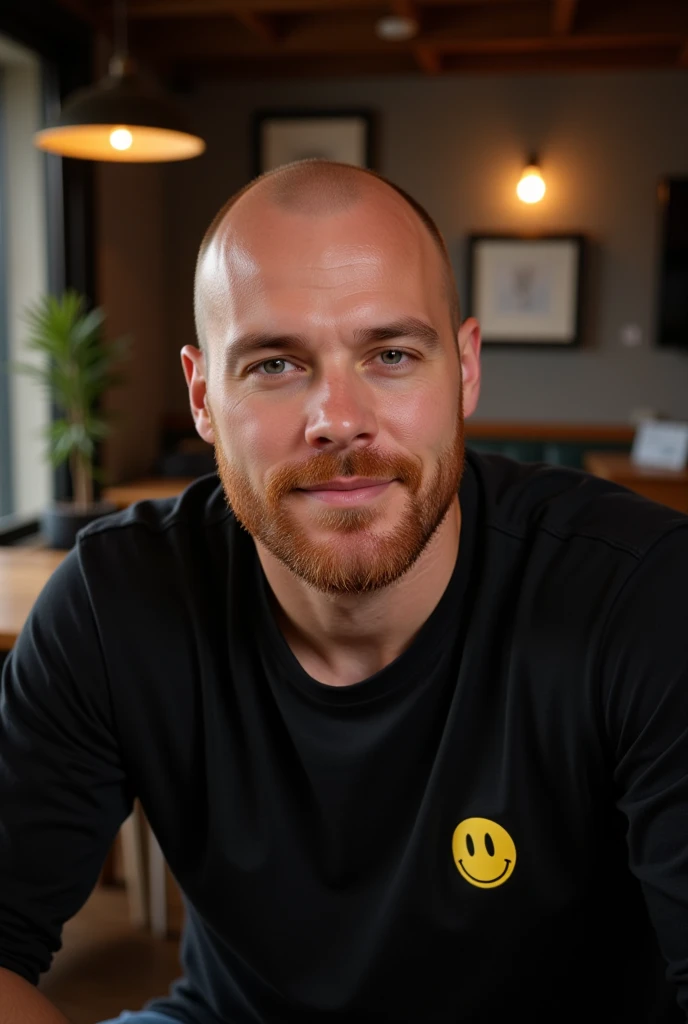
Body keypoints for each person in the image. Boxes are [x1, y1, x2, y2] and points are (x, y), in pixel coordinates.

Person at [0, 159, 687, 1024]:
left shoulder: (644, 595)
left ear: (465, 370)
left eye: (392, 354)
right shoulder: (115, 600)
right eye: (276, 364)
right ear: (203, 394)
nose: (339, 417)